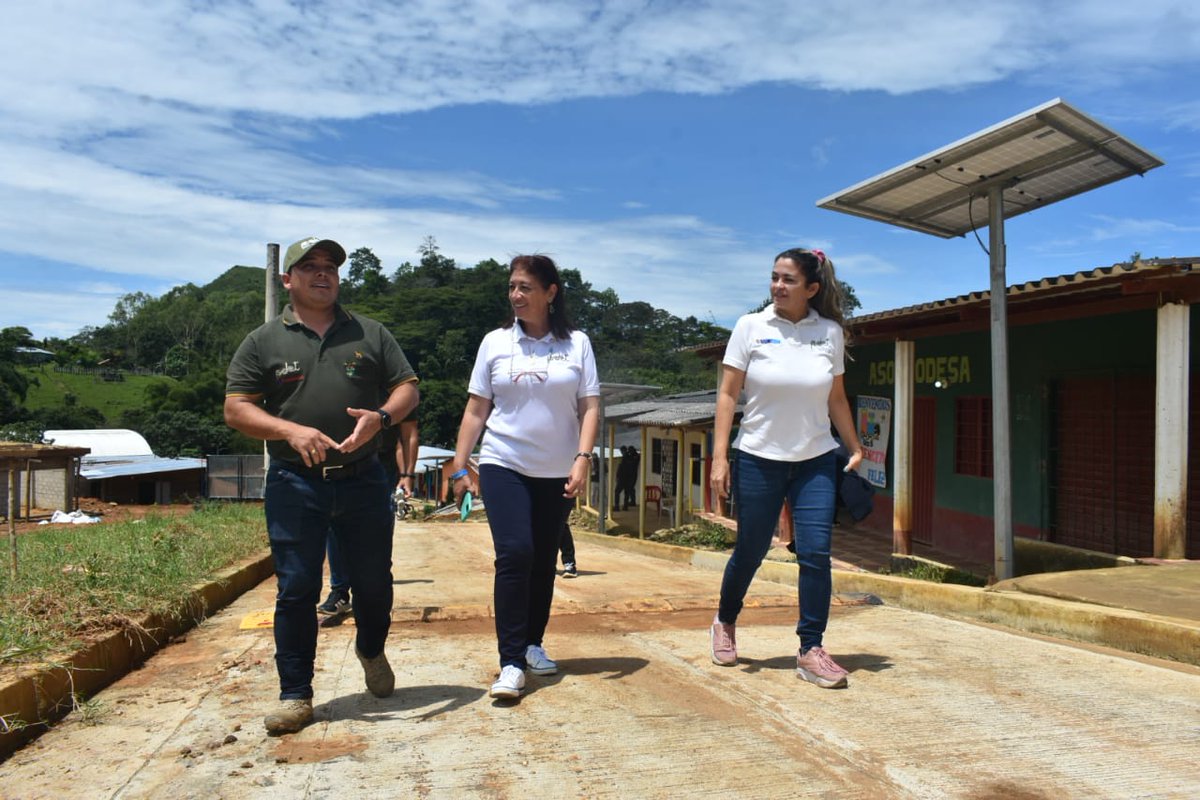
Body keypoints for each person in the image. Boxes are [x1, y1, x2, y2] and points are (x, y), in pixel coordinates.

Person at [225, 236, 419, 733]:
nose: (322, 273)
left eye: (329, 266)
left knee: (373, 582)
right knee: (296, 588)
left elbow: (407, 389)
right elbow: (237, 408)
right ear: (286, 279)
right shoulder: (263, 341)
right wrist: (288, 430)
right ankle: (296, 694)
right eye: (309, 266)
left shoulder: (370, 333)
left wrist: (381, 417)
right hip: (295, 481)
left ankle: (370, 649)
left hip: (363, 479)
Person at [708, 247, 863, 689]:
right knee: (751, 549)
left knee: (815, 553)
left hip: (815, 459)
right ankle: (725, 620)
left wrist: (855, 446)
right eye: (775, 277)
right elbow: (727, 395)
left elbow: (836, 398)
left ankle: (811, 649)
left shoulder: (829, 333)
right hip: (759, 457)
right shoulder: (750, 326)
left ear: (811, 288)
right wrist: (720, 456)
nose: (777, 286)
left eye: (788, 279)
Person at [450, 254, 600, 700]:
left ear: (550, 293)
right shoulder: (495, 343)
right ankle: (511, 661)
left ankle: (533, 643)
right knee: (515, 553)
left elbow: (590, 406)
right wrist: (460, 465)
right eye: (512, 286)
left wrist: (583, 458)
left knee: (542, 558)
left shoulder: (577, 344)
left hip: (557, 470)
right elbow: (476, 409)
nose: (516, 295)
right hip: (504, 461)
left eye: (526, 287)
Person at [317, 408, 419, 618]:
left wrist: (407, 475)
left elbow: (408, 435)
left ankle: (373, 592)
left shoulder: (396, 393)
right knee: (334, 524)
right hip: (341, 458)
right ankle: (340, 591)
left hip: (381, 464)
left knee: (376, 530)